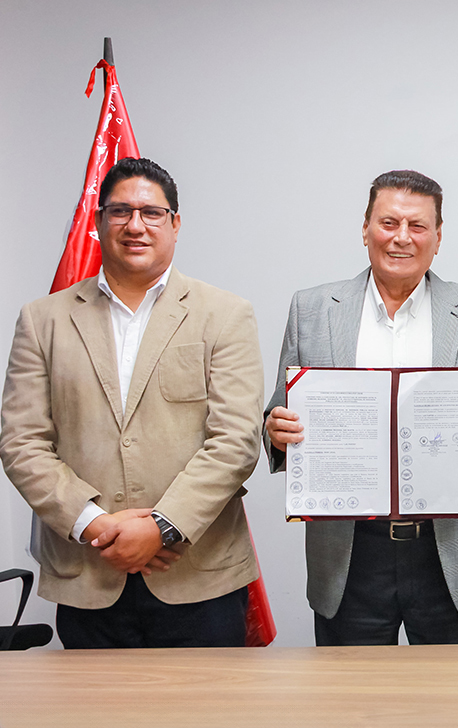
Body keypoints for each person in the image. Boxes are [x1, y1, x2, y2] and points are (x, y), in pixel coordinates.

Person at [264, 170, 458, 646]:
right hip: (349, 553)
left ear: (438, 237)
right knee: (351, 690)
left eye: (417, 225)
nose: (402, 237)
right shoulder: (311, 309)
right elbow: (278, 414)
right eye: (389, 222)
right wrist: (276, 431)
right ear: (365, 228)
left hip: (449, 550)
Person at [0, 157, 264, 648]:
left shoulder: (224, 315)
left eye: (151, 213)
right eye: (120, 211)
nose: (135, 225)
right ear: (99, 221)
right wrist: (94, 524)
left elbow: (236, 441)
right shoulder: (44, 320)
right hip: (89, 573)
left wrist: (162, 528)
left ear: (175, 224)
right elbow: (21, 442)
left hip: (198, 575)